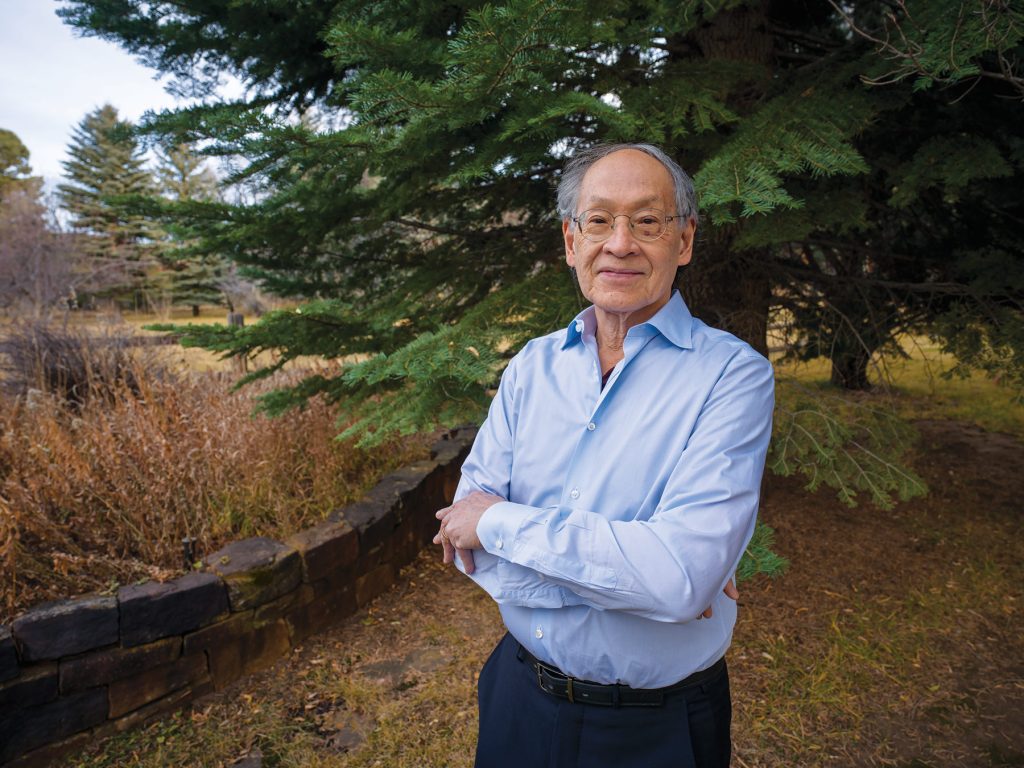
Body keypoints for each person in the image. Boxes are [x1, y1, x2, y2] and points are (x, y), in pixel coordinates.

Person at [433, 143, 775, 768]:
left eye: (648, 222)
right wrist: (640, 582)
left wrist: (500, 523)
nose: (620, 243)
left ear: (685, 240)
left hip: (656, 728)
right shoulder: (531, 366)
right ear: (571, 240)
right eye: (598, 221)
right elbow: (463, 540)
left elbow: (676, 582)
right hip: (517, 696)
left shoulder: (733, 376)